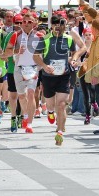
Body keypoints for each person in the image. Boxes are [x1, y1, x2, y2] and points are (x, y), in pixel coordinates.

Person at [33, 16, 77, 146]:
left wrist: (73, 59)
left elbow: (74, 52)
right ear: (51, 25)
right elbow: (35, 56)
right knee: (51, 105)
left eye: (61, 23)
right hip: (48, 77)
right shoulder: (45, 39)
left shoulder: (69, 39)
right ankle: (50, 112)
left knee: (62, 104)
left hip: (64, 75)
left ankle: (59, 133)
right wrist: (45, 66)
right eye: (55, 24)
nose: (58, 26)